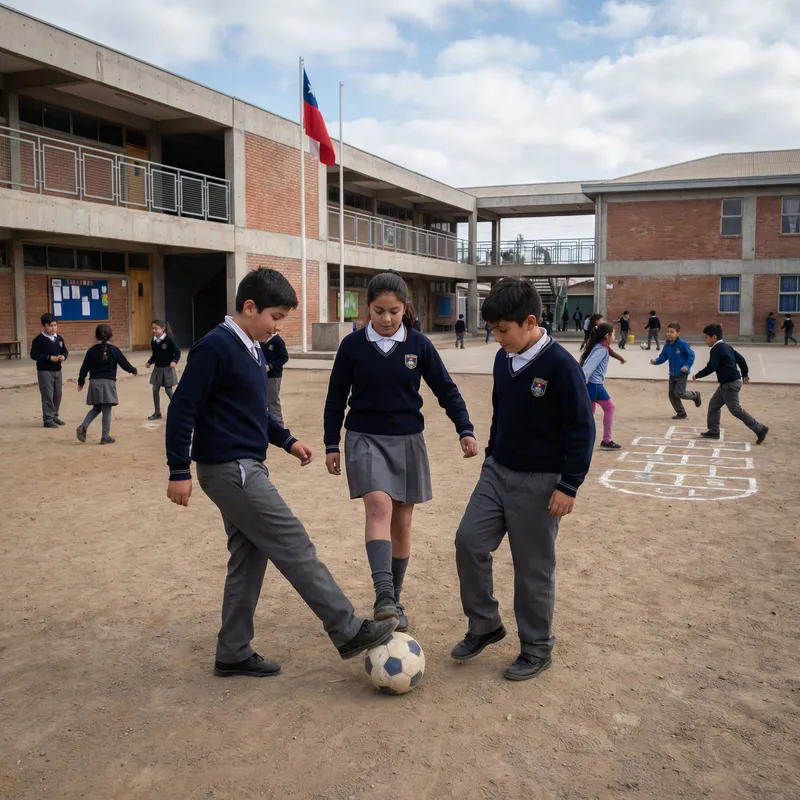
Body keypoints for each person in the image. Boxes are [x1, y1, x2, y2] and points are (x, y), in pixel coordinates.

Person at [165, 267, 397, 678]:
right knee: (293, 541)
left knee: (249, 557)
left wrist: (287, 441)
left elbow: (254, 413)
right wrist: (178, 468)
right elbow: (183, 408)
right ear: (250, 307)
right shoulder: (215, 347)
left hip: (246, 465)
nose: (277, 328)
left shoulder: (253, 349)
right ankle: (346, 629)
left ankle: (233, 651)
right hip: (230, 469)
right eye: (275, 318)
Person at [451, 278, 594, 681]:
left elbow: (583, 428)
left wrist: (569, 485)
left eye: (503, 330)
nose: (497, 338)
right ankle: (485, 624)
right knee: (468, 542)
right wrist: (493, 455)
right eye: (493, 330)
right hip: (498, 472)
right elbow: (502, 414)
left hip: (542, 480)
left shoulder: (561, 366)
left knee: (532, 566)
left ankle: (536, 647)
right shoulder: (504, 359)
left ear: (530, 321)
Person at [324, 272, 478, 632]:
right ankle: (382, 596)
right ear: (367, 308)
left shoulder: (420, 345)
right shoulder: (352, 346)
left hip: (408, 440)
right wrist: (331, 442)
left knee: (402, 521)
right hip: (364, 437)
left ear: (405, 308)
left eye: (394, 311)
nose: (387, 319)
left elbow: (446, 390)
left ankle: (394, 597)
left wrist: (464, 429)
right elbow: (335, 398)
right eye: (379, 311)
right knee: (378, 505)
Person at [691, 324, 768, 445]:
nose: (705, 340)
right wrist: (745, 374)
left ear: (714, 337)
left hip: (730, 384)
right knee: (714, 405)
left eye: (706, 337)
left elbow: (711, 367)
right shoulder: (727, 347)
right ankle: (713, 431)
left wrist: (698, 375)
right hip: (727, 383)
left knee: (735, 409)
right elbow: (741, 359)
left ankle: (760, 428)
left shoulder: (717, 349)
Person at [76, 324, 138, 445]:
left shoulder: (91, 351)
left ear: (96, 335)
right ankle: (105, 436)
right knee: (106, 409)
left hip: (94, 383)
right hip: (108, 383)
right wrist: (133, 370)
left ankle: (83, 426)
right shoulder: (114, 350)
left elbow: (84, 368)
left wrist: (81, 381)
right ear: (110, 336)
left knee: (97, 408)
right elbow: (124, 364)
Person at [580, 322, 622, 450]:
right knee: (610, 408)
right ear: (607, 335)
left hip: (590, 385)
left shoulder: (599, 346)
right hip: (594, 385)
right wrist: (582, 382)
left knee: (590, 413)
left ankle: (585, 438)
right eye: (613, 334)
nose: (614, 336)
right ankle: (607, 440)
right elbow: (587, 368)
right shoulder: (602, 349)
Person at [650, 322, 702, 419]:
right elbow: (663, 356)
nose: (669, 334)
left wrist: (686, 366)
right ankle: (681, 413)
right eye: (668, 331)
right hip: (672, 373)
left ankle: (695, 395)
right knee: (672, 394)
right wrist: (656, 361)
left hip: (682, 373)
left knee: (679, 393)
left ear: (678, 333)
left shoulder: (682, 344)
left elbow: (691, 355)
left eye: (672, 332)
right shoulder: (667, 345)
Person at [30, 312, 68, 429]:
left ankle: (55, 416)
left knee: (58, 394)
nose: (53, 328)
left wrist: (63, 357)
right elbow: (34, 355)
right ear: (44, 326)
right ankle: (48, 419)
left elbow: (64, 351)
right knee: (47, 395)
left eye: (55, 325)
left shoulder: (59, 339)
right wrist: (48, 358)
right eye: (50, 326)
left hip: (57, 370)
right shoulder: (38, 340)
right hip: (44, 371)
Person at [146, 319, 180, 421]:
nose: (154, 330)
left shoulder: (169, 340)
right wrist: (150, 362)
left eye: (156, 328)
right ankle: (157, 412)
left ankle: (177, 410)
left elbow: (177, 352)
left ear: (162, 328)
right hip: (158, 369)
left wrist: (174, 361)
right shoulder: (153, 340)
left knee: (168, 390)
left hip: (167, 369)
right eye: (152, 328)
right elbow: (155, 355)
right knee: (155, 389)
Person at [262, 331, 289, 428]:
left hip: (273, 375)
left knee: (272, 401)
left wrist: (271, 366)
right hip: (262, 374)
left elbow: (284, 357)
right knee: (262, 400)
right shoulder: (262, 340)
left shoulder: (277, 341)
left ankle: (278, 426)